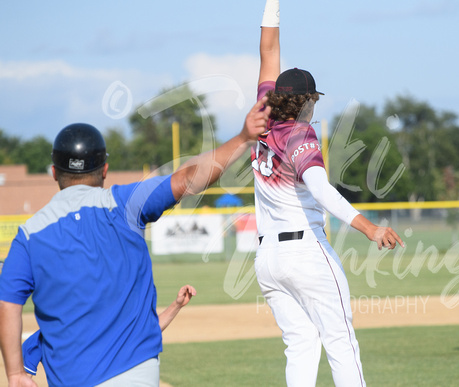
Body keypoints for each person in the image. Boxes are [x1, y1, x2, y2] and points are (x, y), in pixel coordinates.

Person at [0, 98, 270, 386]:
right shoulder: (126, 204)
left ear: (54, 172)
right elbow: (189, 179)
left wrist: (15, 373)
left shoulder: (28, 236)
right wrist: (243, 139)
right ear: (104, 170)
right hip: (136, 374)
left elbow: (8, 305)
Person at [252, 2, 404, 386]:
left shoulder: (262, 116)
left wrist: (272, 4)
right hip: (305, 253)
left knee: (301, 343)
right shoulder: (299, 133)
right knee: (340, 340)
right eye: (313, 98)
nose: (315, 103)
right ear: (304, 101)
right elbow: (320, 189)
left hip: (267, 258)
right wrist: (368, 228)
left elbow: (268, 50)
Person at [22, 285, 196, 378]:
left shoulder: (100, 329)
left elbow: (147, 332)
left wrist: (177, 305)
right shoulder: (38, 342)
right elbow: (22, 381)